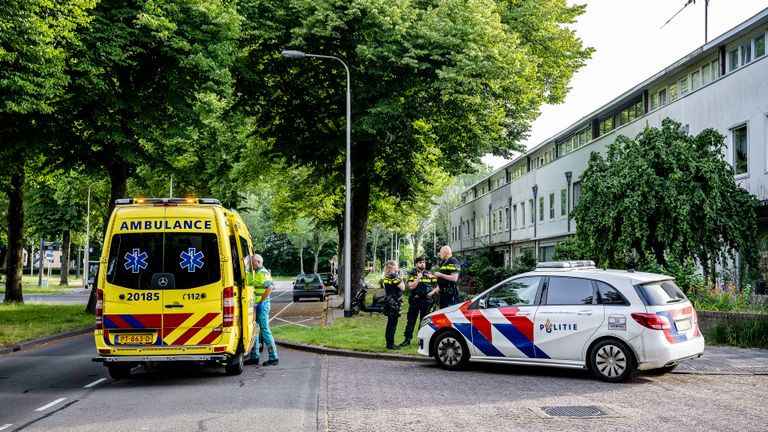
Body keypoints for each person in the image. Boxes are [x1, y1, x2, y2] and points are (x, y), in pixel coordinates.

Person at [247, 254, 279, 366]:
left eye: (252, 262)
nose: (251, 264)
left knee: (264, 329)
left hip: (262, 305)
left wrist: (261, 301)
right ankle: (255, 356)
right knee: (255, 330)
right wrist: (249, 272)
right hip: (256, 305)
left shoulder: (263, 273)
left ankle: (273, 357)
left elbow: (270, 287)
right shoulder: (256, 273)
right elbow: (249, 284)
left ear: (259, 262)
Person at [399, 256, 435, 347]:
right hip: (415, 300)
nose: (422, 264)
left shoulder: (429, 274)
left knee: (424, 321)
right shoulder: (413, 273)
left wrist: (432, 292)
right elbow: (411, 286)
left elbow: (438, 285)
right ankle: (407, 339)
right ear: (416, 264)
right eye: (420, 262)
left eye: (423, 262)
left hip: (426, 301)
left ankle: (422, 340)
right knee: (411, 320)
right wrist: (418, 278)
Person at [381, 260, 405, 350]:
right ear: (392, 267)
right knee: (393, 324)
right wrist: (401, 279)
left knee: (390, 323)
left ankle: (389, 343)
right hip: (394, 302)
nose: (398, 266)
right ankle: (391, 344)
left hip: (388, 301)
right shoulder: (394, 276)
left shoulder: (387, 276)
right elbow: (403, 288)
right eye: (397, 265)